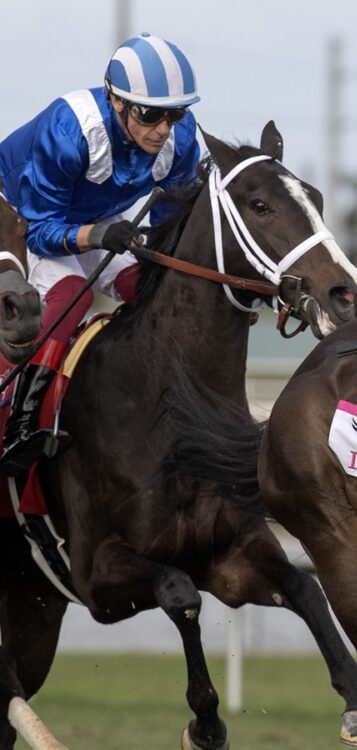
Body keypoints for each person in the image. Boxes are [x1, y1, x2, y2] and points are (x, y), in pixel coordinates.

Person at [0, 32, 202, 474]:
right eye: (151, 114)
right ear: (116, 102)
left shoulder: (180, 141)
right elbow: (42, 231)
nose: (164, 129)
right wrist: (99, 235)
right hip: (22, 219)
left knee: (154, 289)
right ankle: (17, 417)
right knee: (75, 292)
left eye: (176, 114)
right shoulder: (70, 129)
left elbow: (169, 230)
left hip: (92, 218)